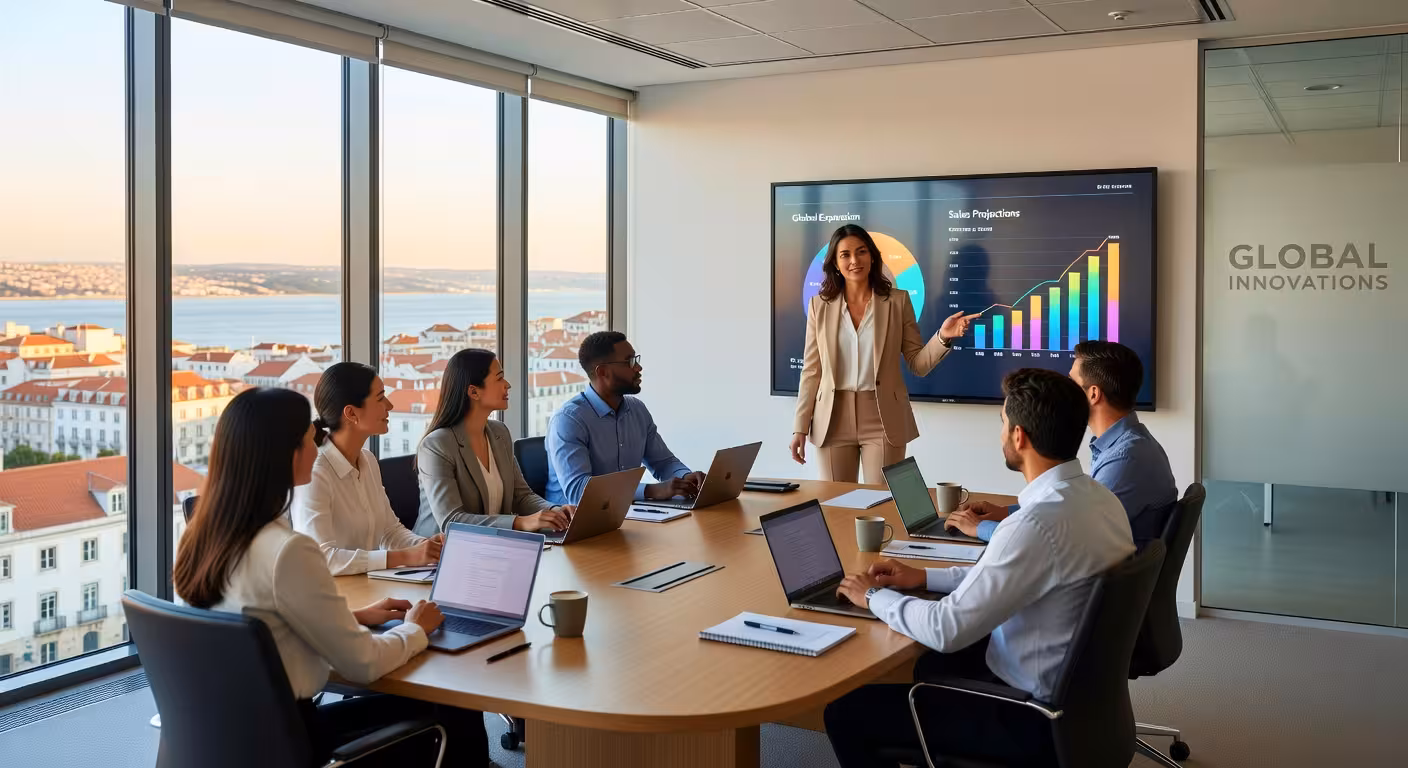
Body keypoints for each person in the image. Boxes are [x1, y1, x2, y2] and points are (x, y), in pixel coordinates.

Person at [823, 369, 1134, 767]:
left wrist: (871, 596)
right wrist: (923, 576)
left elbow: (945, 629)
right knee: (927, 665)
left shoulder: (1033, 524)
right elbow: (1008, 575)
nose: (1001, 433)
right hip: (1079, 707)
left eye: (1003, 423)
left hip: (1026, 717)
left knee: (846, 711)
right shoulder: (1099, 500)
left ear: (1020, 436)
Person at [173, 387, 488, 766]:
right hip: (298, 744)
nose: (317, 446)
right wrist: (415, 629)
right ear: (284, 454)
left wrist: (352, 617)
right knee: (452, 702)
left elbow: (253, 623)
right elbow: (363, 663)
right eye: (309, 437)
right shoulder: (288, 550)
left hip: (234, 739)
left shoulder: (200, 538)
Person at [789, 224, 978, 484]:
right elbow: (811, 370)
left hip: (882, 417)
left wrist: (943, 337)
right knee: (835, 504)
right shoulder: (818, 306)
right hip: (830, 418)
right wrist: (800, 426)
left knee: (882, 504)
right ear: (834, 262)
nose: (854, 260)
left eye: (861, 251)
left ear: (872, 256)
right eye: (845, 254)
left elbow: (918, 364)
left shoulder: (897, 302)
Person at [947, 340, 1177, 545]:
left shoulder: (1125, 458)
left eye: (1070, 381)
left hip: (1101, 586)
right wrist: (1005, 512)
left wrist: (980, 528)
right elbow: (1071, 514)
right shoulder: (1127, 444)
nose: (1063, 388)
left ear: (1093, 394)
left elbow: (1068, 537)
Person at [291, 362, 442, 575]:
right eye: (380, 398)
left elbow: (390, 532)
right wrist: (407, 556)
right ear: (351, 413)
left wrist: (427, 547)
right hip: (334, 597)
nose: (389, 405)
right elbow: (320, 558)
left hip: (370, 589)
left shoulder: (368, 461)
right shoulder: (316, 472)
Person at [415, 348, 573, 536]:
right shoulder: (437, 445)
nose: (507, 385)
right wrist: (519, 523)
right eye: (499, 378)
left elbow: (521, 496)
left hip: (493, 546)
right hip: (440, 554)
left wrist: (555, 511)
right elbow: (452, 521)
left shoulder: (499, 433)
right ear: (474, 392)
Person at [544, 331, 704, 507]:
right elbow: (578, 492)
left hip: (624, 514)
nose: (638, 368)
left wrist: (685, 477)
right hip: (574, 523)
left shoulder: (637, 410)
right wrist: (651, 491)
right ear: (603, 372)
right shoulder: (569, 420)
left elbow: (663, 462)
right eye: (630, 362)